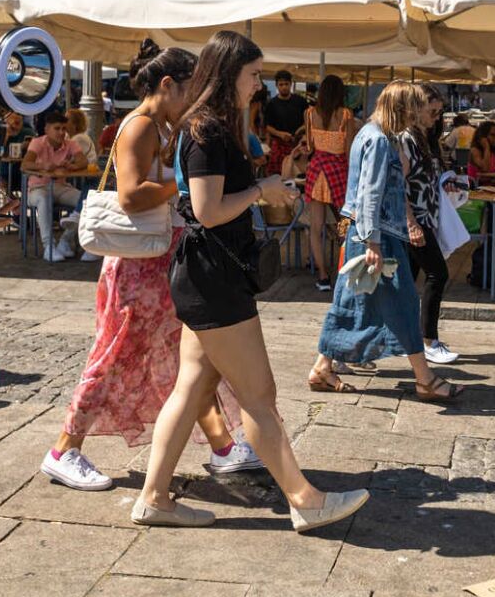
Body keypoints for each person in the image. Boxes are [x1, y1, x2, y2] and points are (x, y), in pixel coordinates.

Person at [133, 30, 369, 532]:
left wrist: (265, 187)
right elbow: (207, 210)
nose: (259, 86)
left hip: (206, 274)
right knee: (258, 395)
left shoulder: (211, 126)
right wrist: (260, 189)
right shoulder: (207, 131)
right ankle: (304, 499)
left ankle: (154, 498)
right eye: (254, 75)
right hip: (213, 278)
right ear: (228, 75)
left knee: (192, 388)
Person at [42, 44, 259, 491]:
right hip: (138, 268)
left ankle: (222, 446)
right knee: (115, 356)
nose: (193, 99)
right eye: (188, 90)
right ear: (167, 86)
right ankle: (64, 449)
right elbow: (130, 195)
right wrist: (179, 184)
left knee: (185, 359)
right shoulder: (140, 125)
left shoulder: (161, 125)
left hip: (155, 262)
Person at [307, 81, 465, 402]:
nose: (418, 115)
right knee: (404, 304)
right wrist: (373, 244)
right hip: (378, 237)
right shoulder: (379, 141)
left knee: (351, 305)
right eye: (415, 108)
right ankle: (425, 380)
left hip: (369, 235)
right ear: (402, 108)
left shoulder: (370, 134)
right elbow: (369, 194)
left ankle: (323, 368)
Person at [405, 85, 459, 365]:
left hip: (426, 217)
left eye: (440, 112)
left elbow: (429, 177)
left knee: (403, 283)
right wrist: (410, 222)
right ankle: (428, 341)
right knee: (438, 274)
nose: (437, 117)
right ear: (416, 109)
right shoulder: (406, 140)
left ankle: (409, 340)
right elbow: (398, 184)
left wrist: (446, 181)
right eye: (433, 111)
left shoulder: (427, 138)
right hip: (415, 220)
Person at [302, 74, 356, 291]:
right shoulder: (345, 115)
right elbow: (350, 150)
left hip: (316, 170)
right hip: (338, 170)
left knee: (316, 228)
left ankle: (323, 276)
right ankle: (345, 272)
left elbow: (309, 146)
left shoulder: (309, 113)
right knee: (345, 226)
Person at [23, 113, 90, 261]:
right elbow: (25, 164)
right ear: (47, 129)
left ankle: (65, 241)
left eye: (64, 129)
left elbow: (83, 162)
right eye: (57, 128)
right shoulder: (37, 142)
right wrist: (42, 166)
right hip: (37, 188)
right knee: (43, 198)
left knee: (87, 200)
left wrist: (71, 166)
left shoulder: (70, 143)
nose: (61, 132)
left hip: (61, 187)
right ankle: (49, 247)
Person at [261, 70, 308, 175]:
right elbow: (267, 126)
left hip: (298, 144)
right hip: (279, 145)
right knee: (277, 175)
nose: (284, 87)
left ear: (291, 84)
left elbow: (308, 121)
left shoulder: (300, 101)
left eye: (286, 84)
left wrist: (300, 130)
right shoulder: (271, 104)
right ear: (276, 85)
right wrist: (280, 134)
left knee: (298, 174)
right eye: (281, 84)